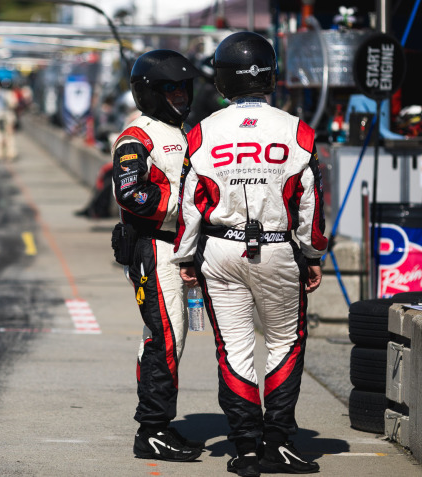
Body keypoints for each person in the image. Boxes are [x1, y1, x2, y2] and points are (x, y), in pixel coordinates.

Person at [172, 32, 328, 477]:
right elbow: (309, 203)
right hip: (278, 250)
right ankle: (279, 442)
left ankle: (245, 449)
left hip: (220, 250)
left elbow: (190, 204)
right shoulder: (297, 130)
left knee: (233, 348)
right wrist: (313, 253)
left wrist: (186, 257)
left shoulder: (202, 132)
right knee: (284, 343)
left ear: (221, 82)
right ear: (271, 77)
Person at [110, 49, 204, 462]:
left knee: (166, 337)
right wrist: (190, 203)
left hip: (181, 251)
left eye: (185, 87)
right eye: (171, 87)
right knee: (167, 338)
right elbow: (130, 193)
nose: (181, 95)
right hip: (154, 248)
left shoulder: (186, 132)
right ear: (150, 92)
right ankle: (151, 430)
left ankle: (158, 424)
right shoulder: (137, 136)